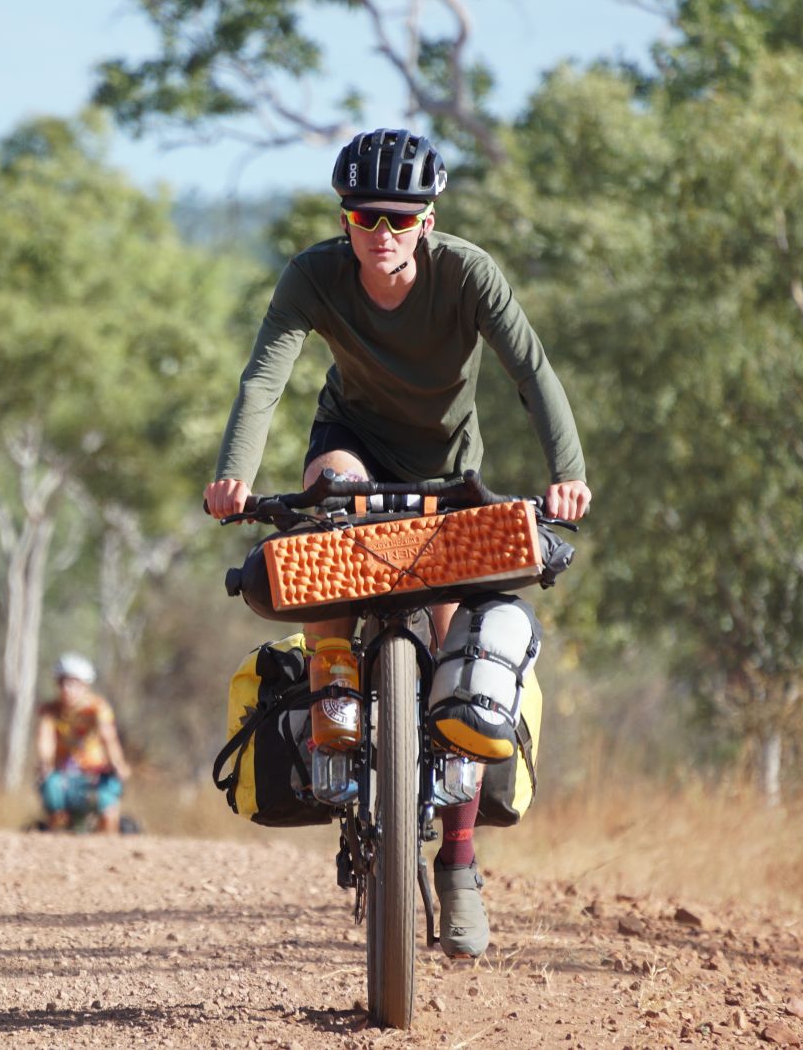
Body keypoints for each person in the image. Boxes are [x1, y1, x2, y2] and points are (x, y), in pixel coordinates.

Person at [203, 127, 591, 958]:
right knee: (326, 517)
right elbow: (265, 375)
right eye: (365, 216)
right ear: (345, 219)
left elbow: (533, 369)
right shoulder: (314, 275)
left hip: (448, 466)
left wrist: (569, 472)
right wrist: (234, 472)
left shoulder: (466, 273)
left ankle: (458, 866)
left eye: (400, 218)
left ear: (428, 218)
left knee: (458, 669)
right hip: (352, 438)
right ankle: (334, 693)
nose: (382, 234)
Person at [35, 653, 133, 833]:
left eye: (73, 684)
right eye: (63, 682)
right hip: (63, 775)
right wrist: (45, 763)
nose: (67, 688)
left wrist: (118, 764)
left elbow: (108, 738)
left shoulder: (97, 708)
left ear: (85, 686)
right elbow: (45, 739)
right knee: (52, 796)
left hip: (95, 775)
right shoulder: (50, 710)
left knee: (108, 810)